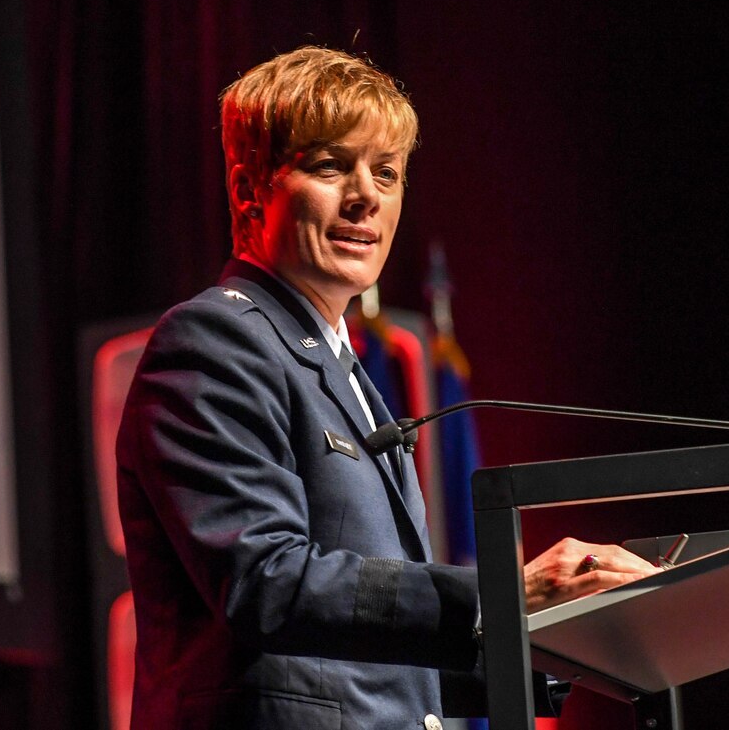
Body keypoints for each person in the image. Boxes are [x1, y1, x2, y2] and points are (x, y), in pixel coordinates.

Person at [116, 46, 659, 730]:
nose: (366, 195)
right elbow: (267, 584)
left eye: (386, 172)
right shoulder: (212, 343)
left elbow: (372, 656)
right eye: (330, 165)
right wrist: (503, 594)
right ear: (248, 189)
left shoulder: (344, 371)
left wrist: (564, 633)